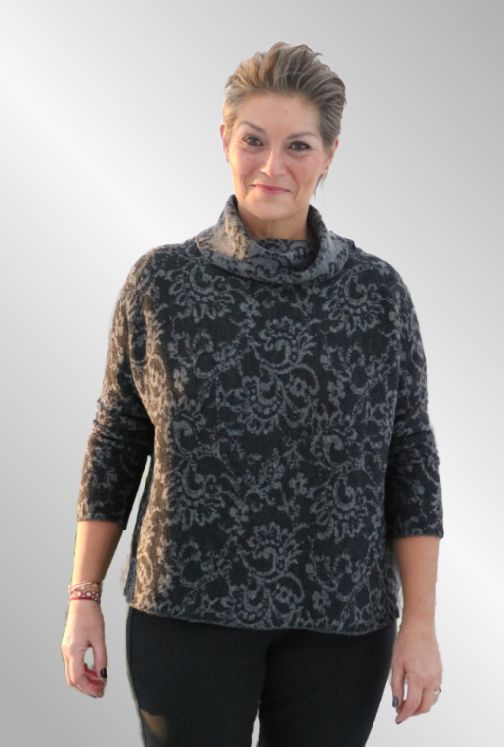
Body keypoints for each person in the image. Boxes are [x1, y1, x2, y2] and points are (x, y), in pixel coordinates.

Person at [61, 41, 444, 746]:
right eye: (254, 141)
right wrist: (82, 596)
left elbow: (411, 459)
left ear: (329, 154)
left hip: (342, 624)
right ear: (224, 140)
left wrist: (421, 622)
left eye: (298, 145)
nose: (273, 166)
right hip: (184, 614)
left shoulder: (378, 294)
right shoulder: (161, 285)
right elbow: (115, 442)